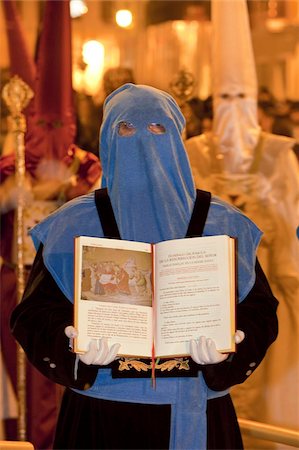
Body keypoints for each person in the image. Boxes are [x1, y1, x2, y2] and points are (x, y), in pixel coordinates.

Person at [10, 84, 278, 450]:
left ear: (177, 136)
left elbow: (260, 312)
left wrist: (232, 345)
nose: (142, 141)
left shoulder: (225, 224)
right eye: (125, 129)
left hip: (197, 410)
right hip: (101, 415)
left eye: (157, 128)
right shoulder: (71, 226)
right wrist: (70, 343)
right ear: (107, 138)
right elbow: (33, 315)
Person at [185, 2, 299, 447]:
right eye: (225, 99)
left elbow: (292, 217)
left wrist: (262, 207)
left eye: (242, 99)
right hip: (207, 284)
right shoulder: (194, 150)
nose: (233, 110)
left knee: (268, 375)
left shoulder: (275, 153)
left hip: (264, 276)